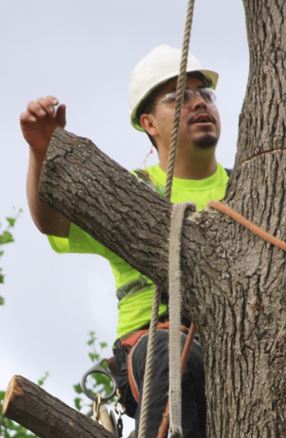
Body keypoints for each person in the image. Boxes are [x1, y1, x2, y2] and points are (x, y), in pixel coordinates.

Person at [19, 45, 229, 438]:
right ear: (149, 122)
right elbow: (51, 220)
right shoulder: (132, 192)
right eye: (179, 96)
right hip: (155, 351)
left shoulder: (246, 191)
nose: (198, 102)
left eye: (206, 94)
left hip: (235, 350)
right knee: (171, 355)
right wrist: (40, 153)